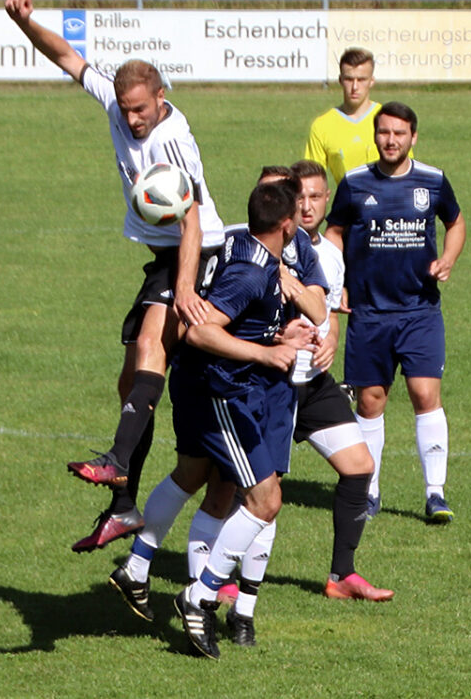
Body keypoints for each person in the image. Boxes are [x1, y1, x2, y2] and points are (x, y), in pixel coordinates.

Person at [3, 0, 226, 551]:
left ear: (161, 97)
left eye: (140, 109)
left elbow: (193, 221)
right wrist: (27, 22)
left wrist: (183, 286)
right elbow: (67, 58)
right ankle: (123, 507)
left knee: (152, 347)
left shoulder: (175, 140)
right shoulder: (116, 101)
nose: (132, 119)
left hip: (195, 254)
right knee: (131, 386)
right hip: (162, 258)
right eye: (126, 109)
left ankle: (117, 462)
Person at [168, 179, 313, 660]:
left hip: (240, 395)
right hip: (224, 396)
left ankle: (198, 592)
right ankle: (199, 595)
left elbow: (246, 322)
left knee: (266, 500)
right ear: (287, 225)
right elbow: (199, 332)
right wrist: (264, 355)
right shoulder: (252, 273)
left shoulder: (260, 259)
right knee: (260, 499)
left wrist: (280, 336)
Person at [324, 102, 466, 523]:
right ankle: (369, 492)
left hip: (420, 310)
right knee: (371, 402)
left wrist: (448, 259)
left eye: (399, 133)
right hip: (369, 312)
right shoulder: (354, 183)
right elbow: (334, 231)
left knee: (425, 394)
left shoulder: (433, 180)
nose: (391, 140)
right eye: (384, 132)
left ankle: (435, 494)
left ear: (413, 137)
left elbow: (456, 223)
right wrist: (338, 281)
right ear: (375, 136)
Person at [304, 48, 381, 186]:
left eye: (361, 80)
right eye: (349, 79)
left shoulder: (388, 119)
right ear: (340, 80)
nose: (355, 87)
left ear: (372, 81)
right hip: (347, 199)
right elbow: (311, 179)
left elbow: (406, 171)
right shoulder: (322, 126)